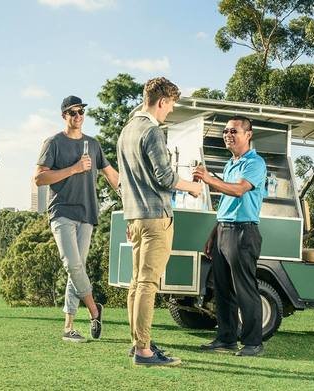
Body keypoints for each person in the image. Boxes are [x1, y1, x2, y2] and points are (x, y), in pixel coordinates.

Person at [117, 77, 203, 367]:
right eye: (171, 106)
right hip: (156, 218)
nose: (169, 112)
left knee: (136, 282)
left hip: (136, 218)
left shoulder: (126, 131)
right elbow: (164, 177)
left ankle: (137, 343)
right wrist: (191, 187)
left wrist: (130, 215)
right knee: (148, 283)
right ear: (162, 101)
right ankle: (143, 351)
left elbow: (123, 183)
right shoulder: (151, 131)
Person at [35, 95, 120, 343]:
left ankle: (69, 326)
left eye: (81, 112)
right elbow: (39, 178)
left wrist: (129, 196)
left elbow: (111, 175)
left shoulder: (93, 145)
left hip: (87, 213)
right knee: (72, 264)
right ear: (64, 116)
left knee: (77, 269)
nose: (78, 116)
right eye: (73, 112)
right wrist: (74, 168)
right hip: (61, 211)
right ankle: (95, 309)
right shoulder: (53, 143)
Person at [192, 115, 267, 357]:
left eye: (234, 131)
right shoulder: (230, 163)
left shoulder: (254, 163)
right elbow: (225, 202)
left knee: (245, 289)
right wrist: (214, 234)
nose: (228, 134)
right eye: (226, 131)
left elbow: (237, 191)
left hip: (244, 232)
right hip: (224, 230)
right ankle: (226, 339)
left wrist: (208, 179)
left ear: (248, 135)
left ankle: (254, 343)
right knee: (223, 289)